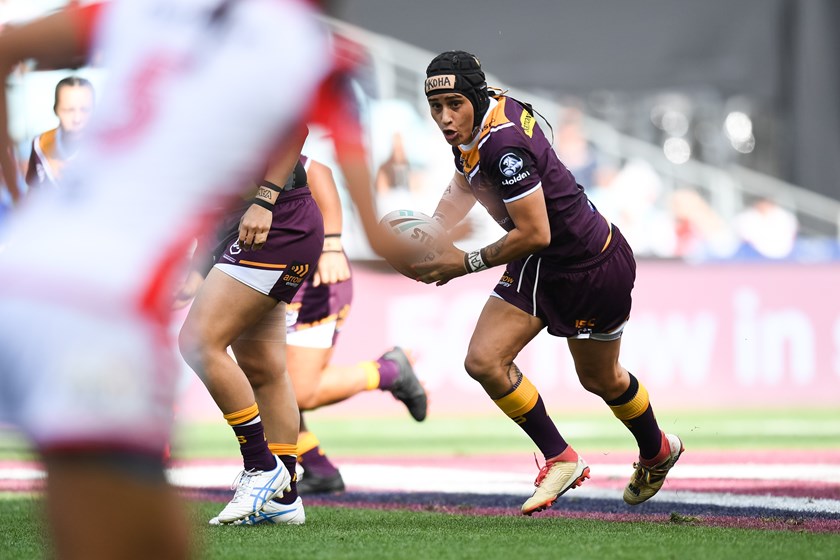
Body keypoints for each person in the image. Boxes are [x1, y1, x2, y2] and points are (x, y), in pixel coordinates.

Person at [0, 1, 389, 557]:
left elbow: (299, 143)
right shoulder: (285, 39)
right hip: (97, 301)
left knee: (205, 345)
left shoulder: (154, 16)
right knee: (254, 363)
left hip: (92, 282)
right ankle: (277, 483)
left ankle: (268, 475)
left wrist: (16, 206)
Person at [412, 51, 683, 515]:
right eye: (436, 107)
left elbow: (537, 231)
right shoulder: (481, 114)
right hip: (544, 261)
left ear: (476, 97)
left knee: (600, 378)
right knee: (483, 360)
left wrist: (462, 262)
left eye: (453, 104)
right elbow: (464, 178)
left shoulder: (503, 145)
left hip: (590, 265)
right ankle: (560, 458)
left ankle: (658, 450)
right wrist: (436, 227)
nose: (444, 118)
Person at [177, 155, 426, 503]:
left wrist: (335, 242)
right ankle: (307, 474)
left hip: (315, 278)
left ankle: (387, 372)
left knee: (296, 388)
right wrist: (197, 270)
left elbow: (314, 169)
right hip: (259, 254)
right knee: (261, 374)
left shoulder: (244, 131)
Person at [25, 76, 95, 191]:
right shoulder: (40, 144)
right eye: (69, 110)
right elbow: (32, 195)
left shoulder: (109, 149)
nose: (77, 119)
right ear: (55, 109)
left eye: (85, 110)